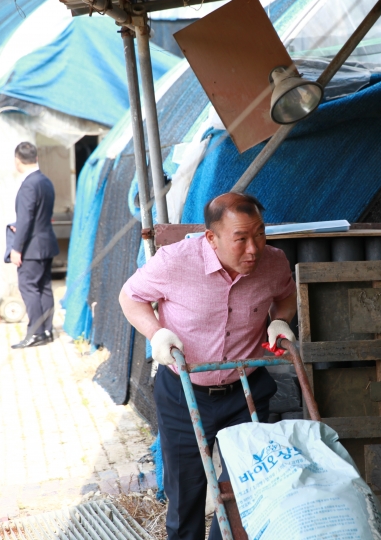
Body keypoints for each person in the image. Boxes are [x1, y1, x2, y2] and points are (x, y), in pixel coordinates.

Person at [120, 192, 297, 540]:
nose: (253, 249)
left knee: (241, 490)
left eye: (259, 234)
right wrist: (156, 334)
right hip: (184, 394)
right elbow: (131, 296)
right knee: (185, 493)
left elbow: (285, 293)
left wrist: (281, 320)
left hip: (246, 391)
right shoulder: (175, 261)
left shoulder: (274, 262)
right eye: (241, 238)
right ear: (211, 238)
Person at [10, 141, 60, 349]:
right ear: (36, 158)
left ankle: (35, 333)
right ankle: (46, 330)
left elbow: (26, 218)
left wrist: (16, 247)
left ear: (17, 161)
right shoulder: (45, 181)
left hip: (32, 247)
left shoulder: (29, 184)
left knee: (29, 287)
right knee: (44, 288)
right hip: (46, 242)